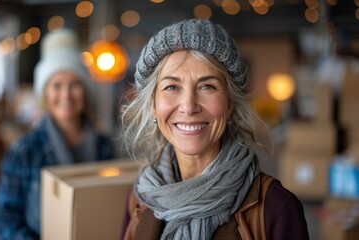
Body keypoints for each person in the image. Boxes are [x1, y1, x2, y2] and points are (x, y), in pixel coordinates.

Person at [120, 19, 309, 240]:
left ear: (230, 104)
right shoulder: (139, 198)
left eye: (207, 86)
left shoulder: (276, 209)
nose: (189, 106)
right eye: (171, 87)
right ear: (153, 105)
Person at [0, 28, 114, 240]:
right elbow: (4, 216)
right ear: (45, 94)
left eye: (75, 84)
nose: (66, 95)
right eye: (56, 86)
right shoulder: (24, 151)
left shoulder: (104, 144)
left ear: (85, 91)